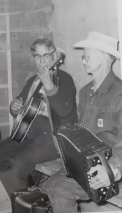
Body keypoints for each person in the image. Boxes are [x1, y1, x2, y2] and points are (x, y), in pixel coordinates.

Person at [0, 38, 78, 198]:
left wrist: (49, 85)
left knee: (18, 165)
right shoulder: (33, 80)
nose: (42, 61)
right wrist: (14, 107)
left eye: (46, 56)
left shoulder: (64, 79)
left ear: (54, 57)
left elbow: (64, 111)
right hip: (27, 134)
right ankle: (26, 200)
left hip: (53, 138)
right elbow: (21, 106)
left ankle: (28, 201)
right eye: (38, 56)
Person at [44, 32, 122, 213]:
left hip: (109, 163)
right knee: (50, 184)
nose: (83, 60)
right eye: (83, 56)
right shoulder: (86, 91)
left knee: (58, 188)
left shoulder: (119, 93)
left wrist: (112, 168)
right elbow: (78, 129)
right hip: (87, 159)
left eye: (87, 55)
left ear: (104, 58)